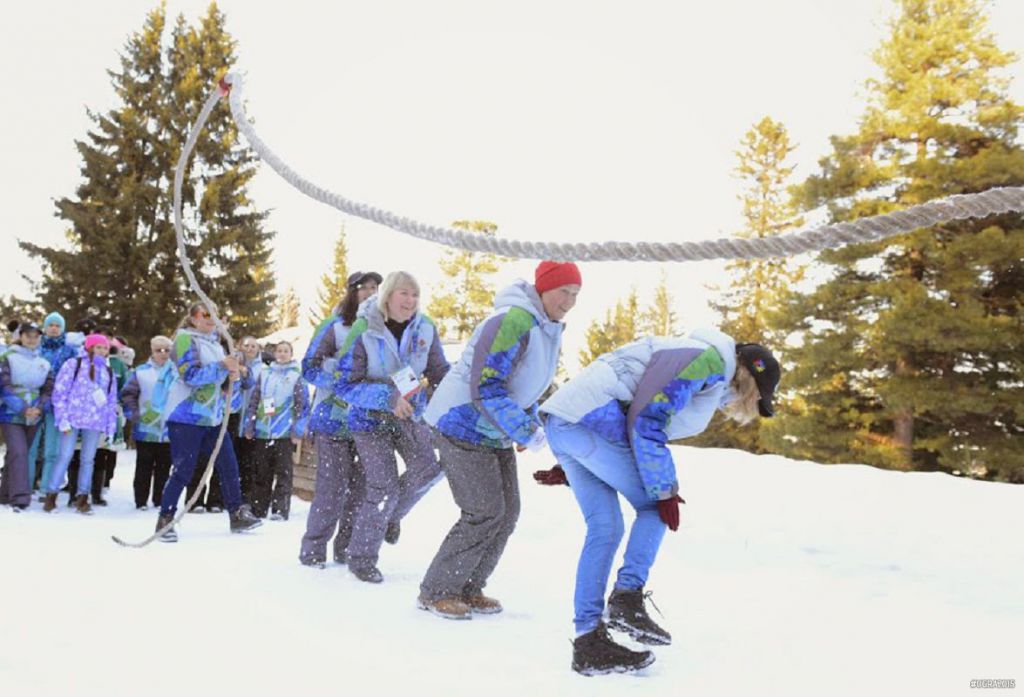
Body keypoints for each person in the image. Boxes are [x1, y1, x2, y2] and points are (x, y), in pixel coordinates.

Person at [535, 329, 781, 675]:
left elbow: (623, 400)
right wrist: (664, 489)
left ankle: (588, 642)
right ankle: (627, 599)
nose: (749, 405)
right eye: (757, 397)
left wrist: (574, 461)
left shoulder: (693, 354)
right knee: (656, 508)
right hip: (587, 425)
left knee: (605, 527)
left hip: (567, 424)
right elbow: (648, 418)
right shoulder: (707, 360)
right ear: (749, 380)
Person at [418, 261, 583, 619]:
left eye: (575, 294)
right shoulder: (514, 320)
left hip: (491, 428)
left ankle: (468, 586)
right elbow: (487, 386)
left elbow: (523, 386)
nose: (569, 301)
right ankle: (437, 590)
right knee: (484, 511)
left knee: (507, 513)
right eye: (563, 292)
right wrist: (525, 430)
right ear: (543, 288)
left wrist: (525, 421)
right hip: (460, 422)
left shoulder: (546, 327)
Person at [335, 271, 449, 583]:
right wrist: (388, 398)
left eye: (415, 295)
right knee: (383, 486)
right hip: (369, 419)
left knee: (429, 468)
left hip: (408, 414)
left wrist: (452, 399)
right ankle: (361, 557)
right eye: (404, 294)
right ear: (387, 296)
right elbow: (344, 384)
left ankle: (389, 516)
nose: (410, 301)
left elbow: (440, 371)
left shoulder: (425, 328)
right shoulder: (364, 328)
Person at [154, 302, 261, 542]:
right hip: (187, 416)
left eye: (215, 314)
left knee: (229, 465)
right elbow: (190, 376)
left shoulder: (216, 344)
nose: (211, 318)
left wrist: (237, 375)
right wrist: (222, 367)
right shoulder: (184, 339)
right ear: (193, 318)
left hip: (213, 418)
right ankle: (165, 519)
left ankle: (236, 513)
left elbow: (223, 383)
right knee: (184, 470)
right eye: (205, 314)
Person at [299, 270, 381, 568]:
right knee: (331, 488)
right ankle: (313, 549)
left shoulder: (382, 331)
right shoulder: (334, 326)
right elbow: (308, 367)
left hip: (367, 424)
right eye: (365, 288)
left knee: (360, 491)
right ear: (352, 292)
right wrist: (340, 381)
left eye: (376, 288)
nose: (371, 293)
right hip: (332, 420)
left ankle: (345, 547)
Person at [42, 333, 119, 515]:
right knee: (65, 455)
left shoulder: (108, 371)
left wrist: (110, 425)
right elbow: (60, 392)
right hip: (72, 418)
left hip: (95, 422)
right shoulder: (73, 364)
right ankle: (51, 495)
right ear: (89, 347)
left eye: (105, 348)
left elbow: (111, 399)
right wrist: (62, 418)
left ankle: (83, 497)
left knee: (88, 459)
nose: (102, 351)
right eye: (98, 347)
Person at [244, 341, 309, 520]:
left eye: (286, 351)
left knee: (283, 473)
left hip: (284, 432)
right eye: (279, 350)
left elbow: (302, 405)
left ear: (291, 354)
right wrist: (250, 425)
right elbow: (255, 399)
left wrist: (298, 430)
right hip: (263, 430)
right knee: (261, 471)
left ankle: (280, 509)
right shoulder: (265, 373)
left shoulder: (296, 376)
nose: (282, 354)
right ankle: (258, 508)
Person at [0, 321, 54, 511]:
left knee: (16, 454)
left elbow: (48, 388)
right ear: (20, 336)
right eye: (27, 335)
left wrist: (39, 407)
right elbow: (4, 385)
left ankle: (5, 493)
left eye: (35, 336)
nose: (31, 339)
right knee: (19, 452)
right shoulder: (8, 357)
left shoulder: (44, 363)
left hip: (34, 415)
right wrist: (22, 408)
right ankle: (20, 497)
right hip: (11, 413)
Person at [120, 336, 176, 510]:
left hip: (169, 429)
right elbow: (128, 394)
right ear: (152, 351)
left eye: (167, 350)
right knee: (144, 465)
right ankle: (141, 500)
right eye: (159, 350)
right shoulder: (141, 371)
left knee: (164, 466)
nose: (163, 354)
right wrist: (134, 414)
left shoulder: (177, 373)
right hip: (146, 427)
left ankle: (159, 499)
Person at [27, 312, 78, 493]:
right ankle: (27, 486)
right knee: (31, 447)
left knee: (52, 450)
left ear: (62, 328)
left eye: (57, 325)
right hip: (35, 402)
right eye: (51, 325)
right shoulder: (35, 348)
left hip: (58, 404)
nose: (54, 328)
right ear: (45, 327)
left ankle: (46, 488)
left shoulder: (70, 351)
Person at [234, 335, 266, 506]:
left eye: (253, 346)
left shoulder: (264, 369)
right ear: (240, 347)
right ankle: (220, 498)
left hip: (252, 421)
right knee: (229, 461)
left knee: (249, 462)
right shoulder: (233, 364)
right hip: (233, 418)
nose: (250, 349)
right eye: (246, 345)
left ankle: (246, 497)